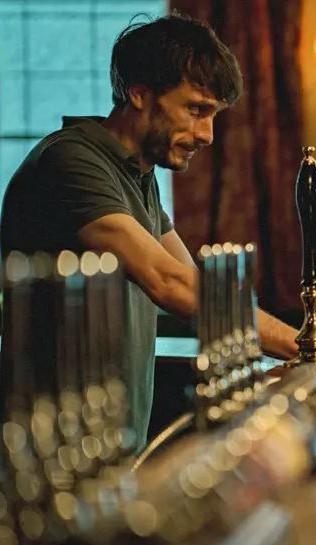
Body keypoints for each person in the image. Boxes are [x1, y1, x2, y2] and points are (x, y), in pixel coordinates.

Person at [0, 14, 298, 449]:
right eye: (196, 110)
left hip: (111, 447)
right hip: (51, 455)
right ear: (138, 93)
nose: (208, 135)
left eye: (213, 115)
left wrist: (288, 349)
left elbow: (199, 284)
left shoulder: (137, 174)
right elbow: (168, 281)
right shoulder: (71, 162)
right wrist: (302, 344)